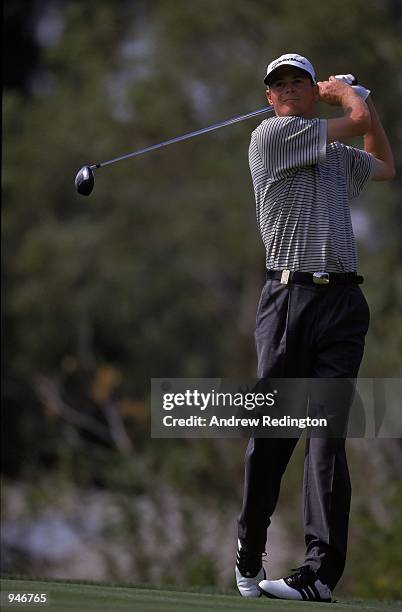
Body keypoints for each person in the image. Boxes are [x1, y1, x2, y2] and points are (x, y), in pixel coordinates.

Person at [235, 53, 395, 602]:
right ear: (269, 98)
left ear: (308, 88)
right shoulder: (272, 137)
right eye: (279, 85)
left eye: (299, 83)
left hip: (342, 302)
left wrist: (363, 99)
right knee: (274, 437)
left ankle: (320, 574)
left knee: (328, 439)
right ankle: (249, 544)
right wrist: (349, 97)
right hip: (288, 301)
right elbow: (353, 122)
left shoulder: (330, 156)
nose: (290, 91)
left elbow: (381, 162)